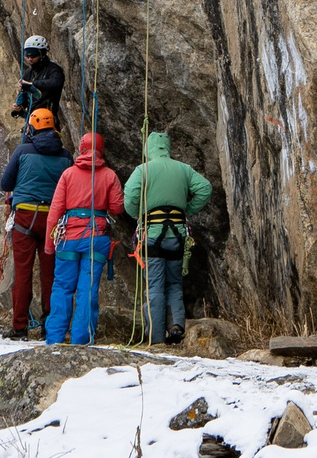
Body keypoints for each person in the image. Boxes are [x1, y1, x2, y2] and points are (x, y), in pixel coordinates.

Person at [123, 132, 212, 345]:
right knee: (174, 283)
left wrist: (139, 213)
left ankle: (155, 337)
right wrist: (186, 209)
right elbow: (205, 188)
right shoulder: (183, 169)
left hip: (152, 233)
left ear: (149, 149)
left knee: (154, 285)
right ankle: (176, 326)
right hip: (178, 235)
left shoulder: (142, 170)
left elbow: (130, 196)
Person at [0, 110, 73, 339]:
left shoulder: (22, 151)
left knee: (23, 272)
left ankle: (19, 325)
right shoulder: (66, 156)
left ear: (31, 129)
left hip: (25, 216)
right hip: (53, 219)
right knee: (51, 274)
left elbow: (5, 183)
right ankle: (50, 325)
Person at [43, 132, 120, 345]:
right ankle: (81, 340)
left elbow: (55, 211)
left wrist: (50, 245)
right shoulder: (110, 175)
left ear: (81, 148)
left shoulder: (68, 174)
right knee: (88, 290)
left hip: (68, 237)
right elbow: (116, 207)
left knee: (62, 287)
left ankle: (54, 339)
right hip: (97, 238)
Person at [11, 38, 64, 122]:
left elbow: (56, 83)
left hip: (48, 120)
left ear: (42, 53)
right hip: (32, 122)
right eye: (27, 55)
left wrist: (32, 84)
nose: (30, 58)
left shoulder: (53, 69)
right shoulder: (28, 73)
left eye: (33, 55)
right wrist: (19, 107)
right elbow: (25, 96)